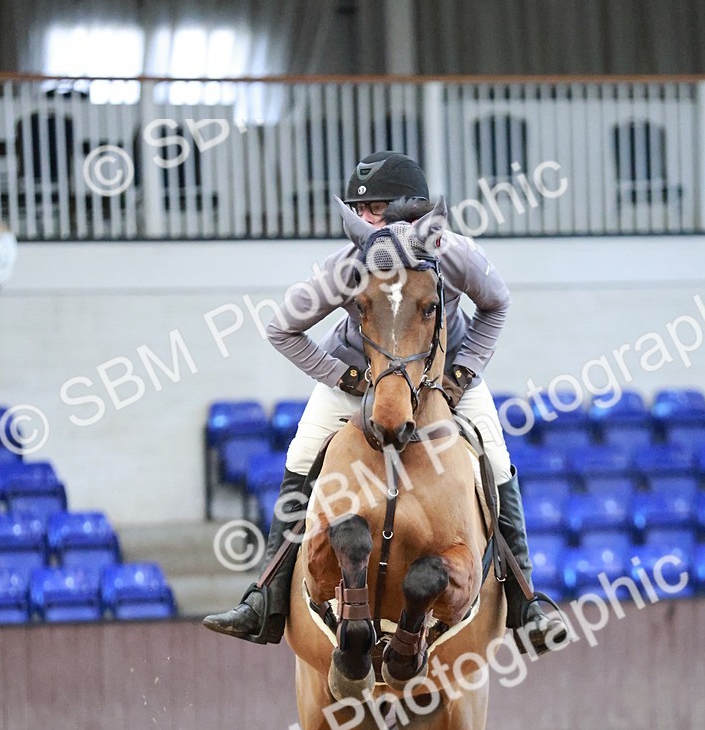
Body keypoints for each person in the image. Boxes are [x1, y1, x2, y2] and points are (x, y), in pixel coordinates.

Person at [204, 151, 568, 655]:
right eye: (359, 209)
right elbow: (281, 328)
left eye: (374, 208)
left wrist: (465, 370)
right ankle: (264, 597)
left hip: (444, 375)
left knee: (498, 459)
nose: (363, 219)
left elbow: (497, 303)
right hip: (361, 375)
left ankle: (525, 601)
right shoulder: (350, 266)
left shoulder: (453, 252)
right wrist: (344, 375)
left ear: (411, 209)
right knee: (300, 457)